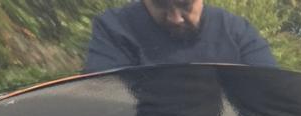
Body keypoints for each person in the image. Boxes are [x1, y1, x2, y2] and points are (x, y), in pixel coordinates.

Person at [83, 0, 276, 73]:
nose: (175, 18)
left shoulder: (237, 32)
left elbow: (273, 96)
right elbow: (100, 104)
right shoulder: (114, 28)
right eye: (160, 4)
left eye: (185, 5)